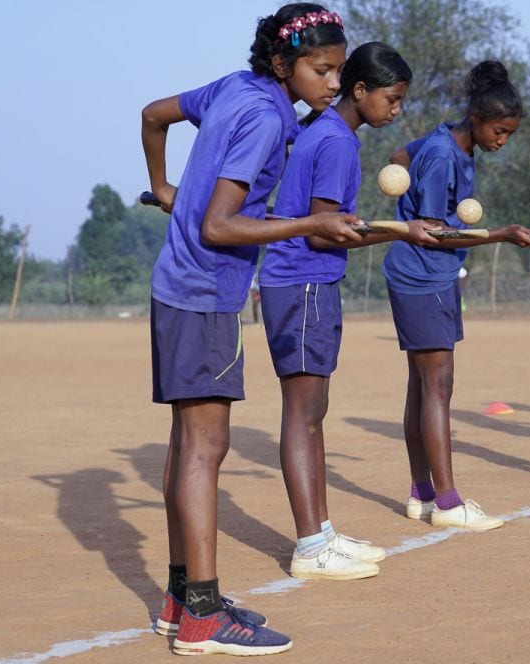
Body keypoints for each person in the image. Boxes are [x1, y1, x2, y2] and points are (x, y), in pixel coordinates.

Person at [143, 4, 359, 656]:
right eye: (321, 70)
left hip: (176, 285)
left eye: (339, 70)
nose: (332, 83)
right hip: (207, 292)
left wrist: (163, 186)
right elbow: (220, 226)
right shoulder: (267, 117)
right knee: (206, 450)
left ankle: (184, 601)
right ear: (281, 64)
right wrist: (309, 225)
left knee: (189, 447)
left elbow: (154, 114)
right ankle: (205, 616)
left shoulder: (233, 89)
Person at [260, 42, 438, 580]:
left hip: (305, 285)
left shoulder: (328, 133)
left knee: (313, 413)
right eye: (393, 98)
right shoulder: (336, 141)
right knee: (304, 413)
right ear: (361, 92)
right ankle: (311, 544)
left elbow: (326, 224)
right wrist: (399, 230)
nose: (397, 110)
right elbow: (321, 236)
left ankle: (322, 533)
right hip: (303, 283)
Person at [383, 61, 530, 530]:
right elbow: (433, 234)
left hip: (427, 275)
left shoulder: (441, 141)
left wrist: (404, 196)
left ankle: (422, 494)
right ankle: (448, 503)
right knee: (438, 387)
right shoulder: (443, 156)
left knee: (423, 387)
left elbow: (397, 157)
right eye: (498, 130)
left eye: (510, 133)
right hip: (422, 275)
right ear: (476, 118)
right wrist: (498, 235)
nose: (501, 140)